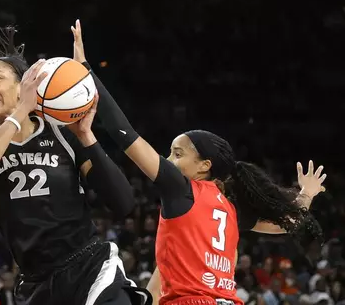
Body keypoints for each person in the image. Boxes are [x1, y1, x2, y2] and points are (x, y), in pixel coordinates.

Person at [69, 20, 326, 305]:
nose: (168, 160)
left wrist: (86, 73)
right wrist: (306, 194)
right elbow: (286, 224)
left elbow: (125, 134)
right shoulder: (232, 208)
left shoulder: (180, 189)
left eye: (177, 154)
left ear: (205, 165)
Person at [0, 27, 149, 305]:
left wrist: (86, 136)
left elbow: (122, 203)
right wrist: (21, 110)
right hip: (34, 283)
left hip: (88, 266)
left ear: (23, 85)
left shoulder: (61, 132)